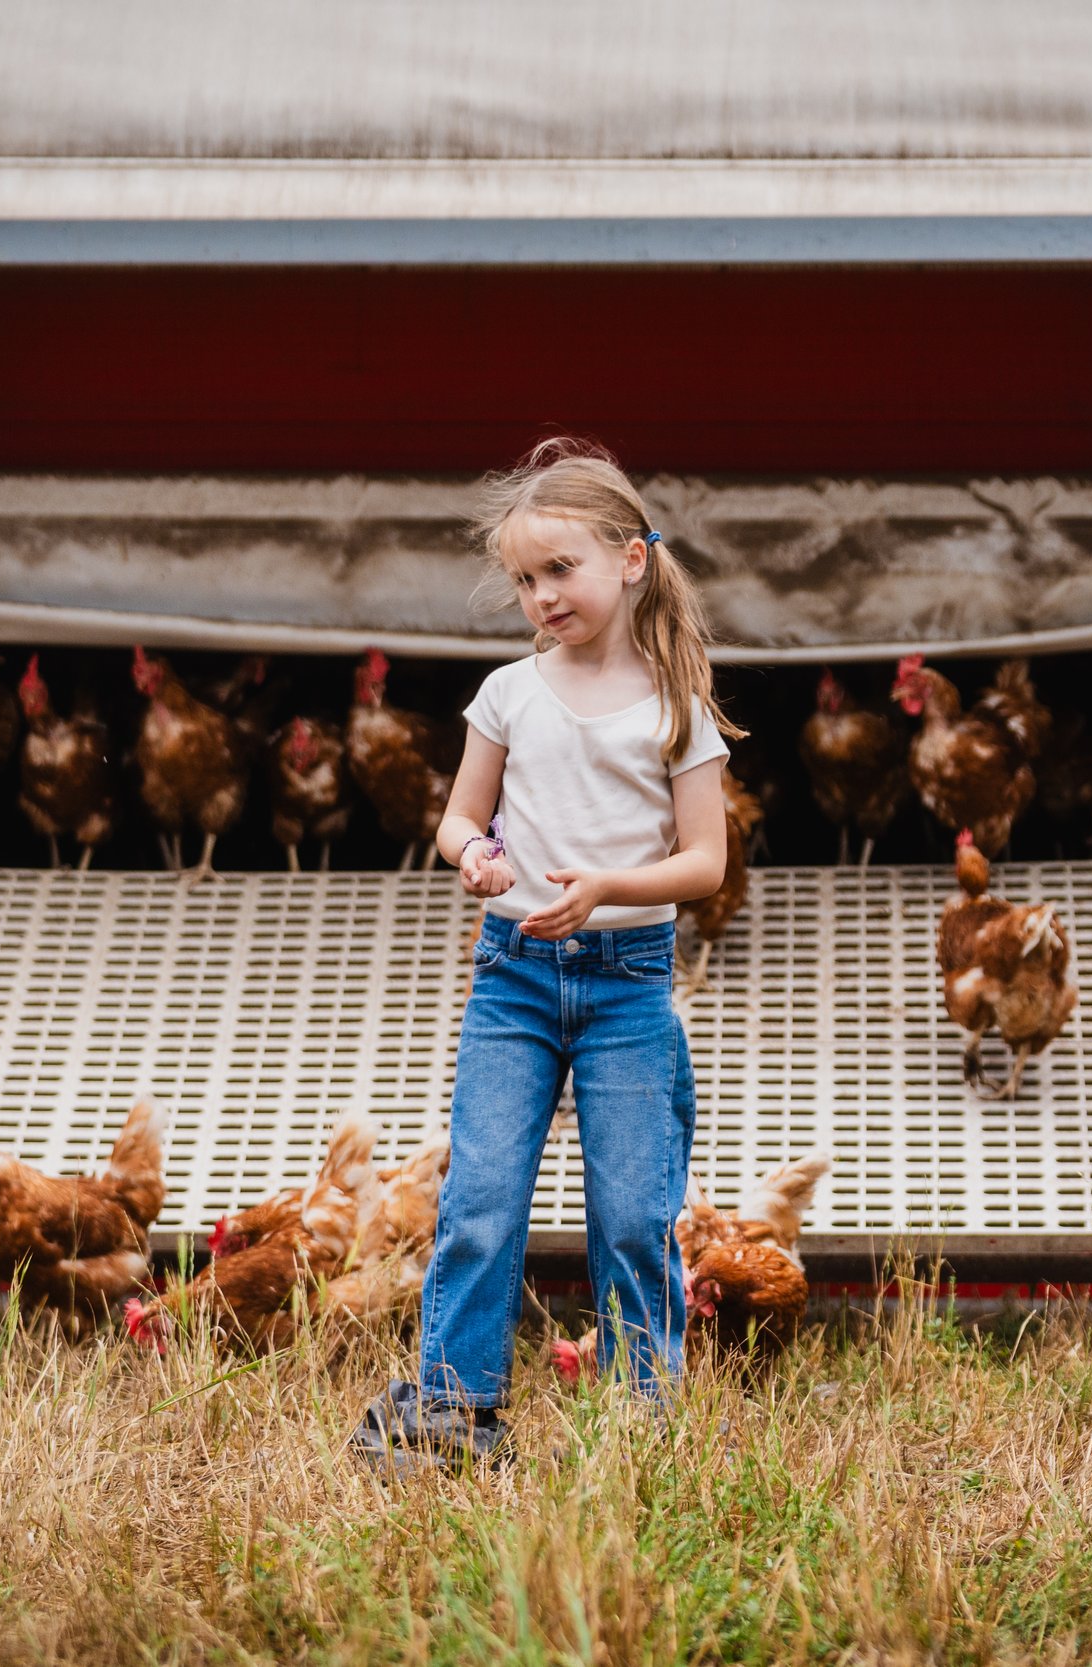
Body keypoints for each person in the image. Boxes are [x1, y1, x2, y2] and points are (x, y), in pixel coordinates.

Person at [351, 439, 739, 1474]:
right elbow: (456, 819)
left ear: (629, 560)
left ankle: (641, 1418)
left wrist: (609, 888)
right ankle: (453, 1411)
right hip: (513, 977)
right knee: (478, 1197)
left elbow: (704, 862)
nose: (540, 595)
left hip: (627, 985)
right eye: (524, 579)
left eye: (558, 569)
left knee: (633, 1213)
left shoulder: (677, 710)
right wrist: (476, 854)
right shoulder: (508, 693)